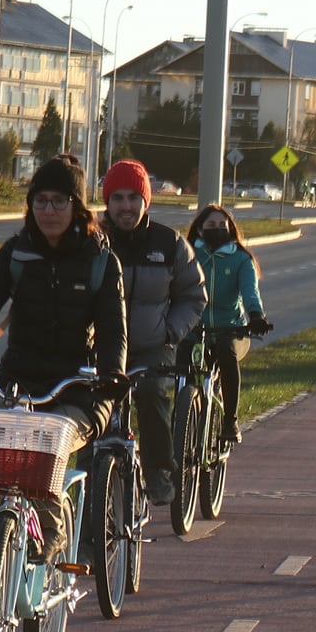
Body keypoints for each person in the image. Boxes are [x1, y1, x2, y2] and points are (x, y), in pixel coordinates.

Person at [0, 157, 126, 559]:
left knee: (44, 437)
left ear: (77, 208)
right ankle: (9, 537)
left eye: (58, 202)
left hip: (81, 387)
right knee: (2, 431)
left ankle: (55, 529)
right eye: (40, 201)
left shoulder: (101, 261)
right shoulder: (17, 254)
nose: (48, 211)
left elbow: (113, 329)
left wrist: (111, 374)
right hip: (21, 379)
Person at [99, 159, 207, 506]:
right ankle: (93, 505)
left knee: (150, 394)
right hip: (100, 348)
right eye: (117, 198)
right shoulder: (94, 241)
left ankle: (159, 470)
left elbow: (193, 295)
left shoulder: (169, 243)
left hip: (151, 347)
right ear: (107, 202)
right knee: (92, 412)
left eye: (133, 197)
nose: (125, 206)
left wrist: (170, 333)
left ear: (146, 200)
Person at [186, 203, 273, 447]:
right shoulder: (190, 254)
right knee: (184, 356)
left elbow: (250, 291)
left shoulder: (241, 258)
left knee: (226, 351)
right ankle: (182, 417)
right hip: (196, 329)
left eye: (222, 226)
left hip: (233, 330)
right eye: (211, 225)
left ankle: (229, 421)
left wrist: (256, 315)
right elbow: (174, 287)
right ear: (200, 230)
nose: (216, 229)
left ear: (230, 229)